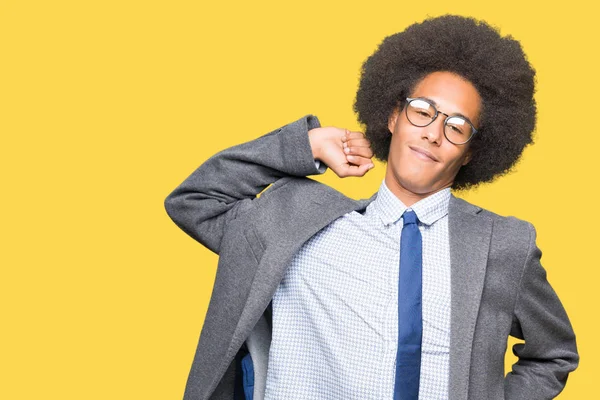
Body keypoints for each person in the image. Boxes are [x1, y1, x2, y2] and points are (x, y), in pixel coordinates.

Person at [164, 15, 579, 400]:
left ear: (471, 151)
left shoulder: (502, 244)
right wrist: (306, 146)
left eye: (456, 127)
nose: (434, 133)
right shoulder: (298, 220)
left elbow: (553, 353)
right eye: (422, 111)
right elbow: (194, 200)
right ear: (393, 117)